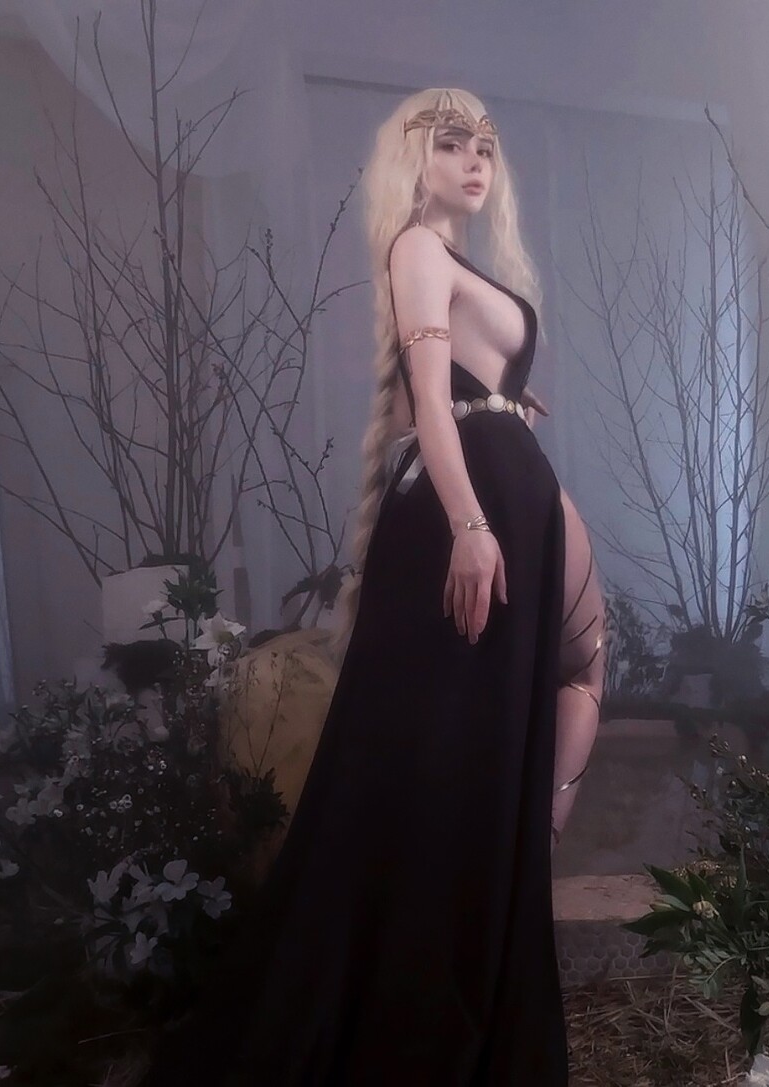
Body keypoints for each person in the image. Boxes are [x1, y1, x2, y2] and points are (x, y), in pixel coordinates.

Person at [139, 87, 606, 1086]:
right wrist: (470, 524)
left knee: (500, 738)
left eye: (486, 147)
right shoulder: (416, 249)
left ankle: (488, 945)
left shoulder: (455, 263)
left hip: (503, 501)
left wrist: (504, 407)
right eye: (453, 144)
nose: (475, 161)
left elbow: (439, 396)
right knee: (438, 757)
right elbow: (426, 400)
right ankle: (420, 1000)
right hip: (466, 522)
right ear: (412, 158)